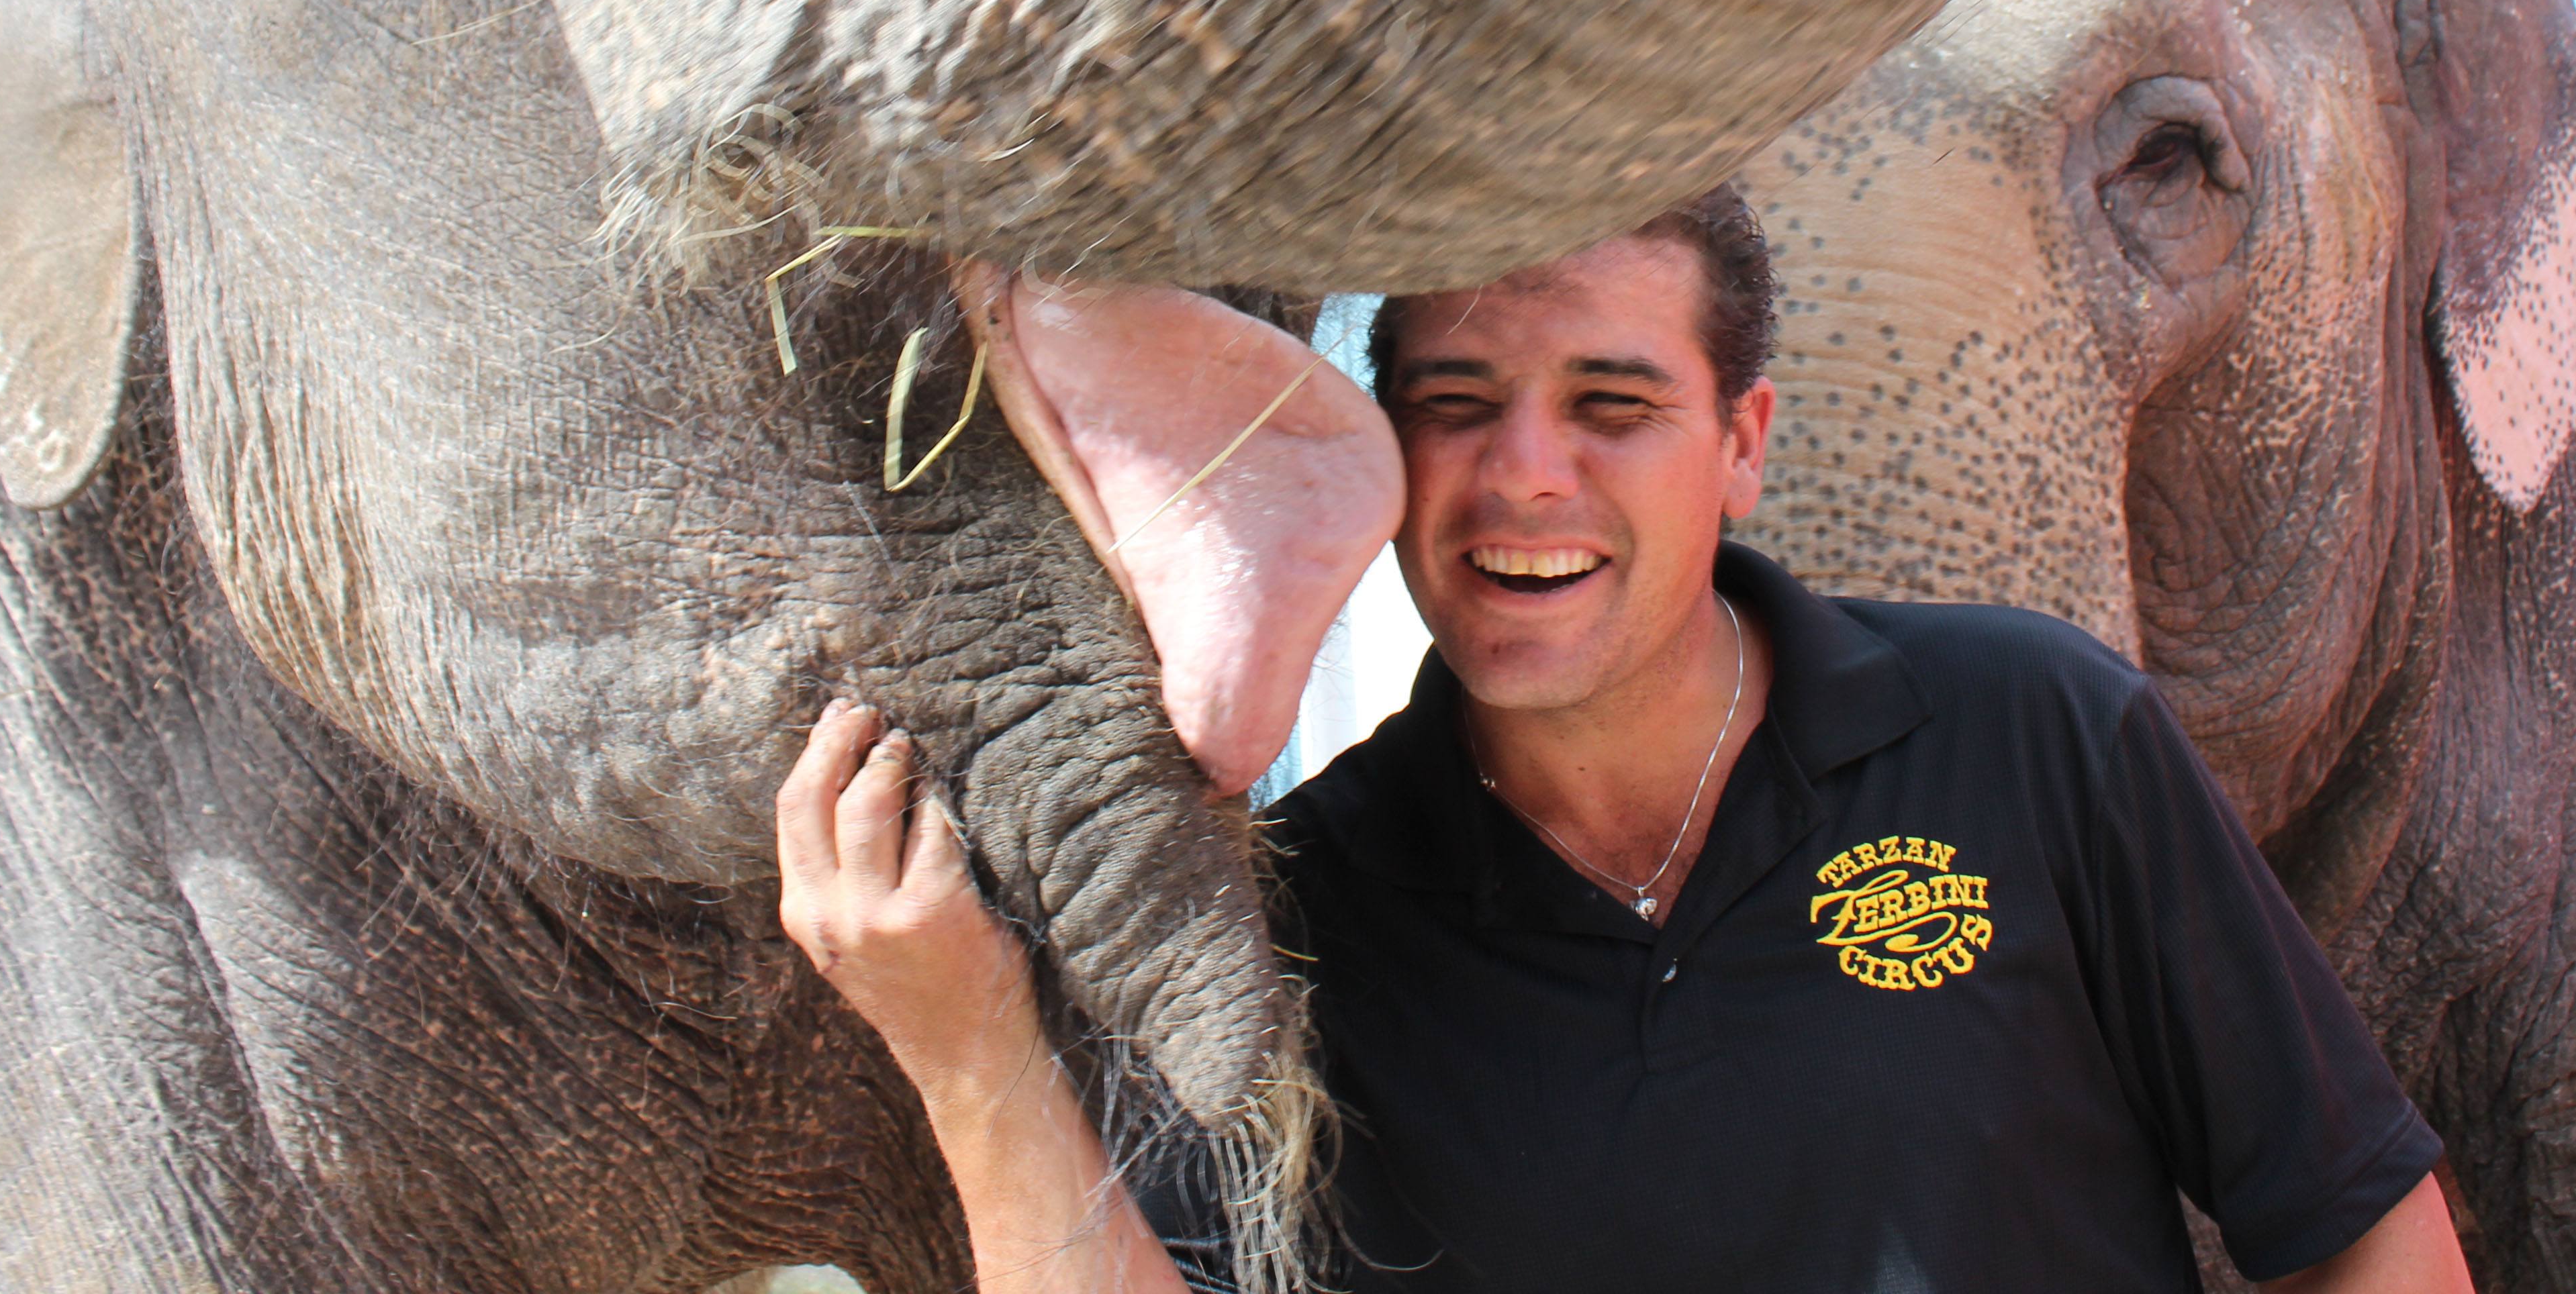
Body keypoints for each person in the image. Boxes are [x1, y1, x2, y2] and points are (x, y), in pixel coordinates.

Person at [776, 187, 2475, 1293]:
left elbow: (2361, 1232)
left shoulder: (2033, 735)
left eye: (1612, 405)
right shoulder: (1302, 914)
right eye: (1456, 405)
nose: (1526, 474)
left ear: (1742, 444)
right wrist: (969, 1050)